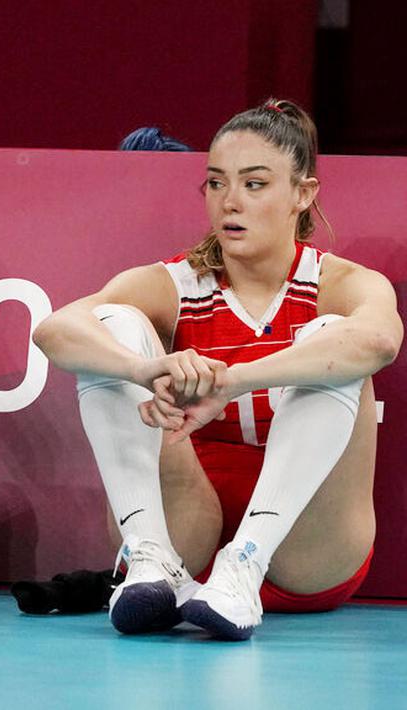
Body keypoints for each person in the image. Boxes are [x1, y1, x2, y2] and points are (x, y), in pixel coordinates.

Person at [33, 99, 401, 640]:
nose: (230, 202)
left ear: (303, 194)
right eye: (215, 183)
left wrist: (232, 379)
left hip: (305, 554)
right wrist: (144, 368)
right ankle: (150, 557)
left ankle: (246, 561)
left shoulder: (342, 282)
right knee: (109, 323)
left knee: (335, 343)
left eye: (255, 184)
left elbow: (380, 341)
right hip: (191, 547)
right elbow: (54, 330)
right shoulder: (173, 283)